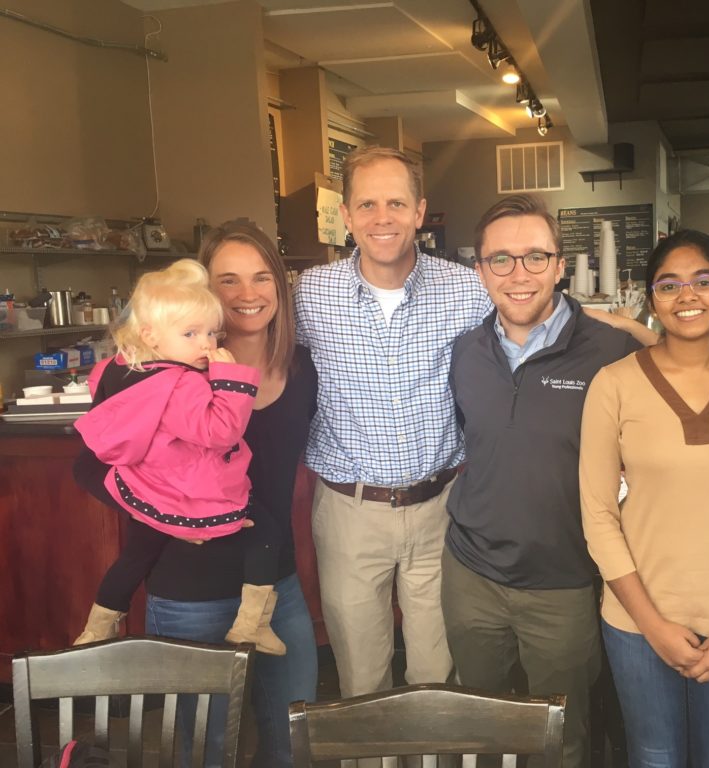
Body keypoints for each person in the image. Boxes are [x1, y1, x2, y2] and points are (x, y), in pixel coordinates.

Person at [75, 220, 319, 767]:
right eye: (227, 280)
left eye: (261, 278)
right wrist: (168, 510)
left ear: (280, 285)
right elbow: (89, 465)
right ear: (203, 291)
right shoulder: (163, 374)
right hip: (189, 592)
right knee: (204, 750)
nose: (247, 294)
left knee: (292, 743)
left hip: (274, 584)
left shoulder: (303, 368)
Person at [580, 229, 709, 768]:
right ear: (651, 301)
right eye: (668, 285)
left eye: (704, 281)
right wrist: (652, 625)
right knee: (653, 757)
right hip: (637, 622)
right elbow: (599, 512)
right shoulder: (614, 384)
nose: (687, 296)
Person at [442, 194, 641, 768]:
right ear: (480, 271)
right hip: (471, 573)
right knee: (481, 727)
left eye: (535, 257)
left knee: (561, 736)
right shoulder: (464, 352)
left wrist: (637, 328)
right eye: (500, 260)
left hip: (565, 581)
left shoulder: (612, 351)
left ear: (560, 264)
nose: (518, 274)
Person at [293, 146, 491, 698]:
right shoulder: (311, 294)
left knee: (438, 676)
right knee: (361, 679)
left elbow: (534, 324)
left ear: (420, 210)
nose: (383, 218)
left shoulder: (466, 289)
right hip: (349, 514)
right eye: (368, 204)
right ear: (347, 215)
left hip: (441, 511)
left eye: (397, 203)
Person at [73, 258, 284, 656]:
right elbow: (221, 433)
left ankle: (95, 631)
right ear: (151, 335)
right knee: (266, 533)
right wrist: (232, 381)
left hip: (148, 489)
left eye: (211, 332)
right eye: (190, 333)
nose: (207, 344)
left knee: (135, 555)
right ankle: (251, 626)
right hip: (193, 493)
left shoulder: (122, 373)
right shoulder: (181, 382)